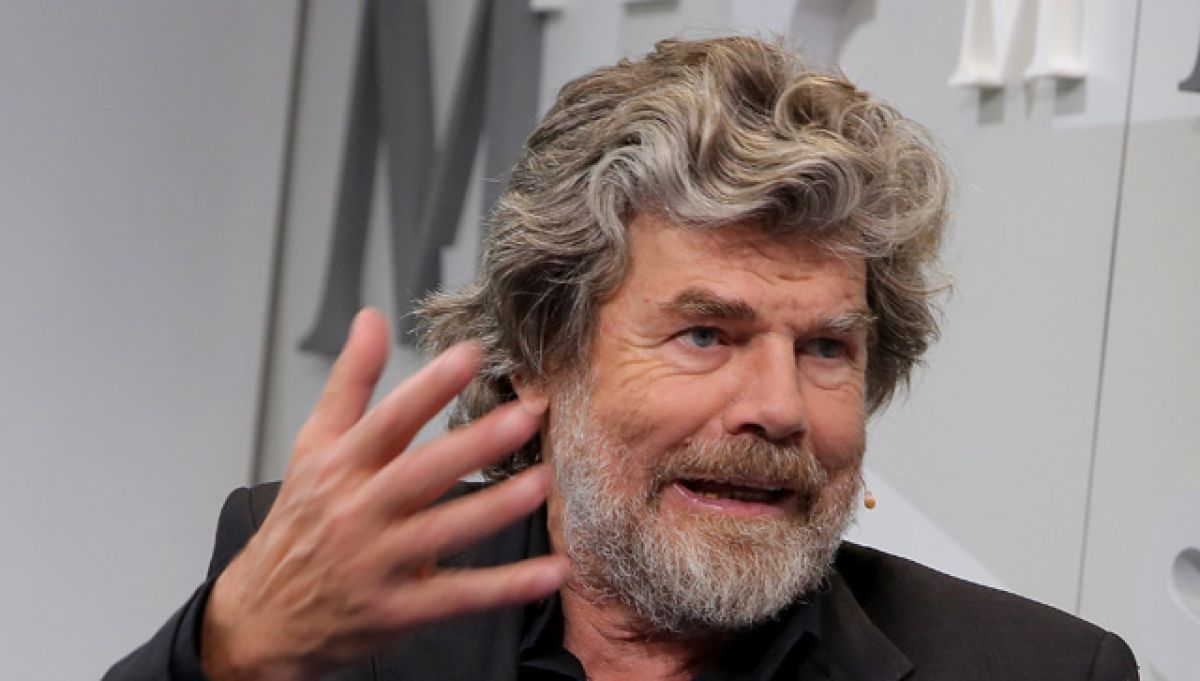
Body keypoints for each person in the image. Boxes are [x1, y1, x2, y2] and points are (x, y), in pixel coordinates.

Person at [106, 36, 1138, 680]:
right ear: (543, 355)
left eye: (826, 346)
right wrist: (225, 657)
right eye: (706, 335)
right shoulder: (327, 606)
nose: (779, 407)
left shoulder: (1042, 672)